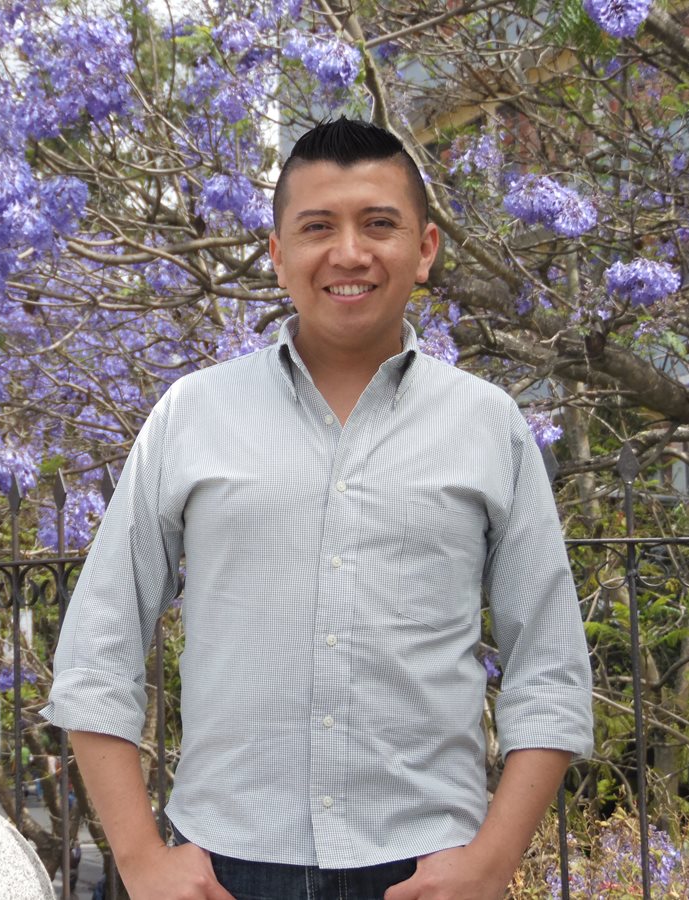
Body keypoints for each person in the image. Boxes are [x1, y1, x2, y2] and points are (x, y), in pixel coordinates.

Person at [43, 117, 594, 900]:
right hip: (227, 869)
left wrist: (491, 861)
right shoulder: (191, 415)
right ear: (278, 255)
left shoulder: (489, 425)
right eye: (317, 227)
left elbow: (551, 665)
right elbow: (97, 647)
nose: (349, 252)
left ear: (425, 249)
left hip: (428, 867)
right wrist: (140, 860)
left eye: (379, 224)